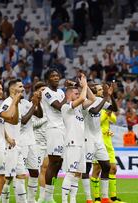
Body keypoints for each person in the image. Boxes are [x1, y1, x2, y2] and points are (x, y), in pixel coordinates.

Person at [81, 82, 118, 203]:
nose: (102, 90)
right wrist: (106, 97)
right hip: (87, 139)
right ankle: (88, 198)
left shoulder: (99, 99)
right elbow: (94, 111)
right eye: (100, 89)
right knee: (87, 168)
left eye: (102, 89)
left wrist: (111, 96)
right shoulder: (86, 101)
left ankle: (105, 197)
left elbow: (114, 109)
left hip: (98, 139)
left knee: (106, 166)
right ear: (93, 91)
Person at [61, 74, 94, 203]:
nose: (78, 94)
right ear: (69, 95)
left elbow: (92, 99)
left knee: (78, 174)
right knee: (71, 172)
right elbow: (82, 99)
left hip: (81, 144)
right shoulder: (65, 107)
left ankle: (72, 200)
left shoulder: (79, 108)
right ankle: (65, 200)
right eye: (75, 93)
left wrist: (85, 87)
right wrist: (84, 86)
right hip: (72, 143)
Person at [41, 69, 67, 203]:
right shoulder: (46, 92)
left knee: (59, 163)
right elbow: (58, 107)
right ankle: (47, 197)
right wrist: (69, 94)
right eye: (53, 76)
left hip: (63, 129)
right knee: (53, 162)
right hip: (53, 129)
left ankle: (49, 194)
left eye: (57, 75)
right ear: (47, 79)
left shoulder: (61, 92)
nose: (56, 77)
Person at [91, 108, 126, 203]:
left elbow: (114, 120)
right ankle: (97, 198)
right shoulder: (94, 107)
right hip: (97, 142)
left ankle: (113, 198)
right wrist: (106, 114)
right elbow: (97, 122)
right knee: (97, 169)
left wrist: (109, 113)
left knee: (113, 168)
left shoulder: (106, 108)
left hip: (108, 143)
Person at [19, 83, 44, 203]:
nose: (23, 89)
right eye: (20, 87)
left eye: (23, 87)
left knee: (34, 171)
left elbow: (39, 114)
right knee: (20, 173)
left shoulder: (25, 103)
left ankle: (31, 200)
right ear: (13, 89)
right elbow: (23, 121)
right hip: (19, 142)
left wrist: (37, 102)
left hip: (31, 141)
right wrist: (34, 103)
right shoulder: (9, 104)